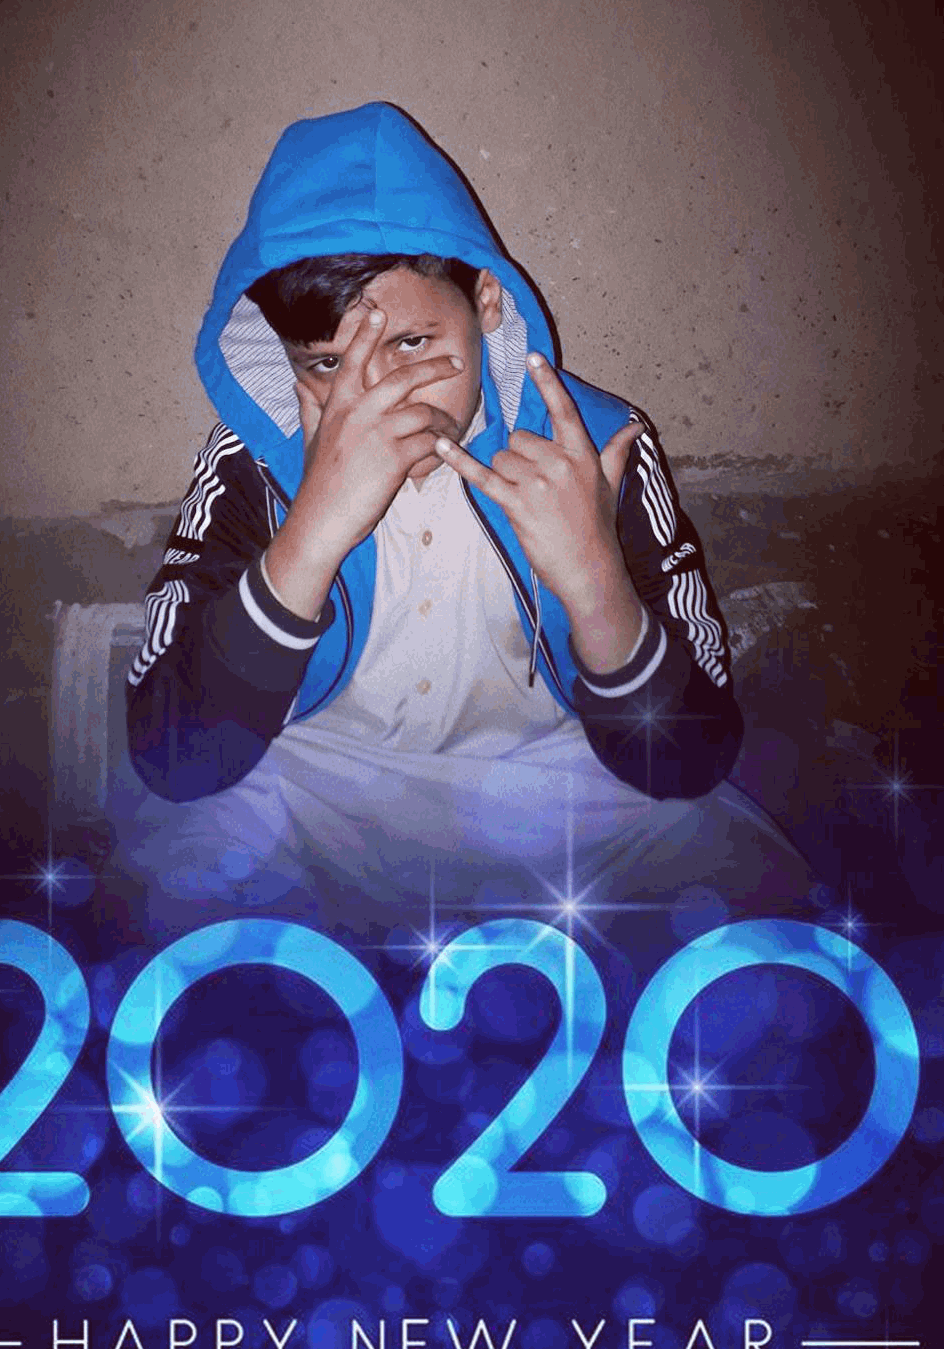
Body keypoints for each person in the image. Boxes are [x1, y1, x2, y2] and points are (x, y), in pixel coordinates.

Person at [113, 102, 806, 938]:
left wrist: (594, 581)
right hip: (317, 785)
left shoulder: (597, 446)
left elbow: (690, 759)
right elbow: (174, 758)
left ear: (486, 300)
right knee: (176, 876)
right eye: (327, 363)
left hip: (557, 792)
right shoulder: (250, 457)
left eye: (410, 344)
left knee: (739, 884)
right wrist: (313, 530)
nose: (377, 394)